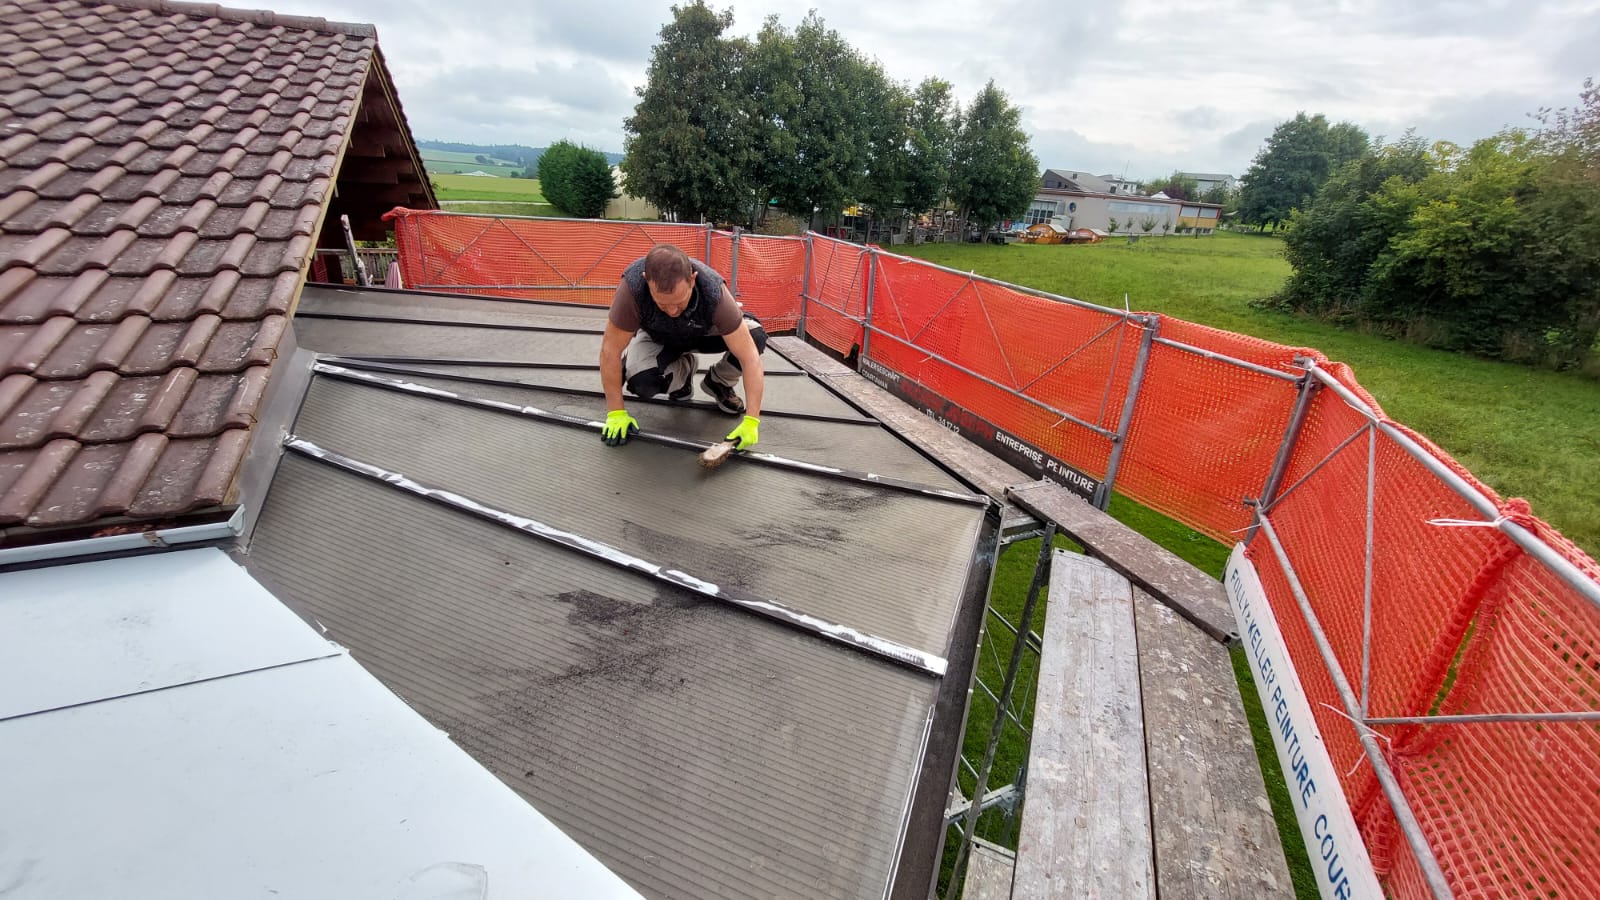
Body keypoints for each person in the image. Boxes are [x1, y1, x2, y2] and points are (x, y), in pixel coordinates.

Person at [598, 244, 766, 450]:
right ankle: (682, 378)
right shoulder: (632, 290)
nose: (672, 311)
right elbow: (610, 351)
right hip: (660, 338)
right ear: (646, 281)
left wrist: (752, 421)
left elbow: (749, 358)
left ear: (692, 279)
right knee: (642, 383)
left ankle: (719, 382)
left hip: (705, 334)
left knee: (755, 336)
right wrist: (615, 413)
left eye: (679, 302)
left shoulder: (713, 291)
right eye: (662, 304)